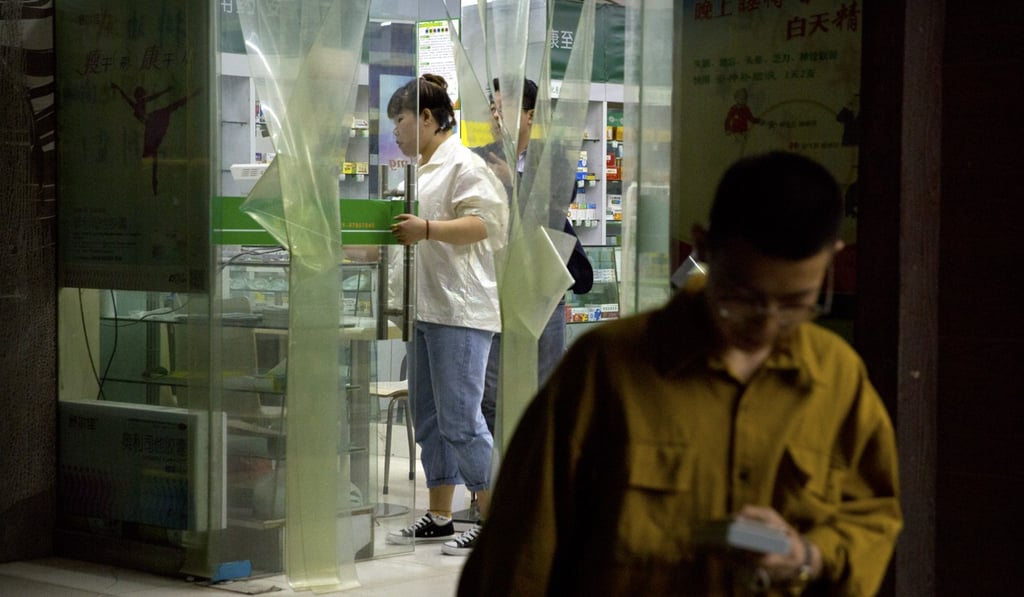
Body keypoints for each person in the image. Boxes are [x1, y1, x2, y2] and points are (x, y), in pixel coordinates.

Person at [458, 151, 902, 595]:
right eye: (743, 297)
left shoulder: (835, 377)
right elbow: (517, 557)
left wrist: (808, 555)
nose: (767, 324)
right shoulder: (605, 370)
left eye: (796, 303)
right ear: (702, 248)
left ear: (832, 259)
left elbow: (872, 515)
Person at [383, 74, 508, 556]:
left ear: (427, 118)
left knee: (461, 419)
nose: (395, 130)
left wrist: (428, 228)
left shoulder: (464, 164)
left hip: (460, 311)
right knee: (430, 418)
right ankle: (439, 516)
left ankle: (494, 518)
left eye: (400, 119)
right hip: (424, 308)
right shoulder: (418, 171)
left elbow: (486, 223)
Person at [480, 77, 593, 435]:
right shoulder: (480, 157)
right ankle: (498, 463)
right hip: (496, 287)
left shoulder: (551, 157)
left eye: (505, 107)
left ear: (530, 115)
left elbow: (558, 203)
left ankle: (542, 459)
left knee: (545, 387)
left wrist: (513, 180)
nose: (497, 115)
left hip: (543, 285)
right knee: (490, 393)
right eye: (494, 107)